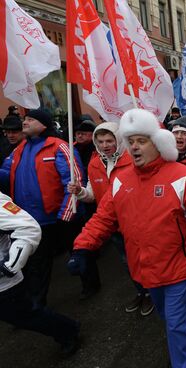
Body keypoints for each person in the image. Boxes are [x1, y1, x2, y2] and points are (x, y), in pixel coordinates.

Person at [67, 108, 186, 368]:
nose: (134, 147)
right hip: (144, 269)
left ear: (158, 143)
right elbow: (103, 218)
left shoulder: (184, 176)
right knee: (169, 318)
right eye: (131, 141)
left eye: (141, 141)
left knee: (176, 325)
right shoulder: (121, 180)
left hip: (179, 268)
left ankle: (183, 358)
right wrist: (82, 248)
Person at [66, 122, 154, 315]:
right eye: (100, 141)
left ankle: (152, 293)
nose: (105, 145)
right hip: (113, 226)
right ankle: (141, 291)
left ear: (119, 140)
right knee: (127, 262)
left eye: (109, 140)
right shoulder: (94, 163)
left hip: (135, 223)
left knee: (144, 261)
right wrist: (80, 192)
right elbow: (93, 194)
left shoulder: (132, 160)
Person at [0, 108, 84, 307]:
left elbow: (74, 180)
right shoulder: (19, 149)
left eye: (30, 119)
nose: (25, 122)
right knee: (38, 265)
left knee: (78, 252)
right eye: (25, 119)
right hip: (32, 220)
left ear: (43, 124)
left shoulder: (59, 146)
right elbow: (5, 172)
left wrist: (66, 212)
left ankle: (90, 284)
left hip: (60, 217)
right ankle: (36, 305)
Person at [0, 191, 80, 357]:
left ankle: (67, 331)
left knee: (27, 316)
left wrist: (9, 265)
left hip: (5, 285)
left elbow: (28, 227)